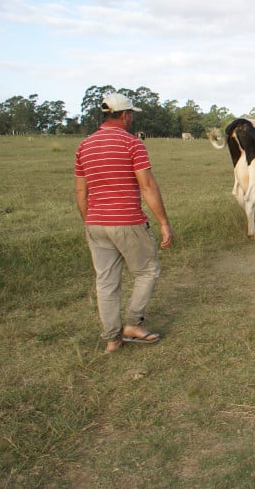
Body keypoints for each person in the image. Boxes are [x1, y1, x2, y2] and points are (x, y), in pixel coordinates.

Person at [75, 93, 173, 353]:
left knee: (106, 282)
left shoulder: (84, 146)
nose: (131, 118)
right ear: (124, 115)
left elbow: (81, 192)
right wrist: (163, 222)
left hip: (95, 223)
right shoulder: (132, 144)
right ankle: (133, 324)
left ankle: (112, 339)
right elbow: (148, 186)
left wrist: (89, 222)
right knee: (148, 270)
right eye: (131, 114)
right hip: (127, 221)